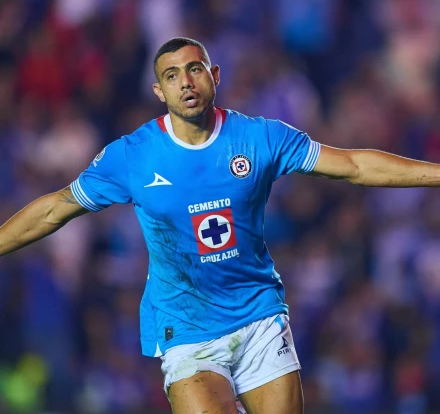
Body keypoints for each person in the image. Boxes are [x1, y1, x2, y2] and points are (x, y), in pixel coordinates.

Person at [1, 37, 440, 414]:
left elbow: (354, 165)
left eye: (194, 69)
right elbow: (56, 208)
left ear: (214, 75)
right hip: (186, 327)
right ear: (159, 91)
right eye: (172, 75)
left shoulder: (259, 137)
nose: (185, 82)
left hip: (259, 315)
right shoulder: (133, 156)